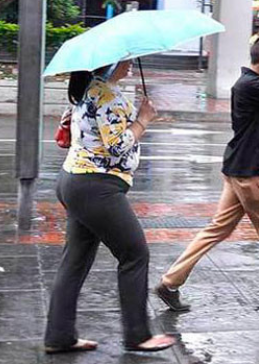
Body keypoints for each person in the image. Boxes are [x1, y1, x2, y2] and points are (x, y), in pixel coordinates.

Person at [155, 32, 259, 313]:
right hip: (251, 174)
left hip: (236, 169)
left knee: (216, 229)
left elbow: (245, 122)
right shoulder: (252, 85)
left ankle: (170, 283)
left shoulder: (246, 84)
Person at [45, 61, 174, 354]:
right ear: (110, 63)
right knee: (135, 253)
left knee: (75, 260)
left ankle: (59, 336)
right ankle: (138, 335)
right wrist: (143, 119)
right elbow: (118, 146)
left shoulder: (86, 91)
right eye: (125, 59)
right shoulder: (107, 96)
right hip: (97, 188)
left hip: (74, 183)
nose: (129, 63)